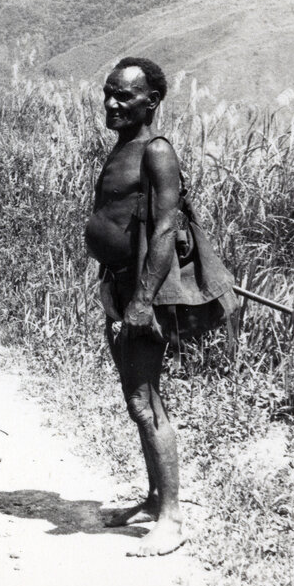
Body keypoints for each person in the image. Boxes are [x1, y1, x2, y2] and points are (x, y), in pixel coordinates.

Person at [84, 57, 188, 557]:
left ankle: (171, 518)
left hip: (143, 295)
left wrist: (143, 302)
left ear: (152, 102)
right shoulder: (122, 148)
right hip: (121, 289)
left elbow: (166, 227)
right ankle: (151, 500)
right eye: (108, 92)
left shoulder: (157, 151)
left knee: (146, 404)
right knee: (137, 400)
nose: (112, 103)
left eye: (124, 96)